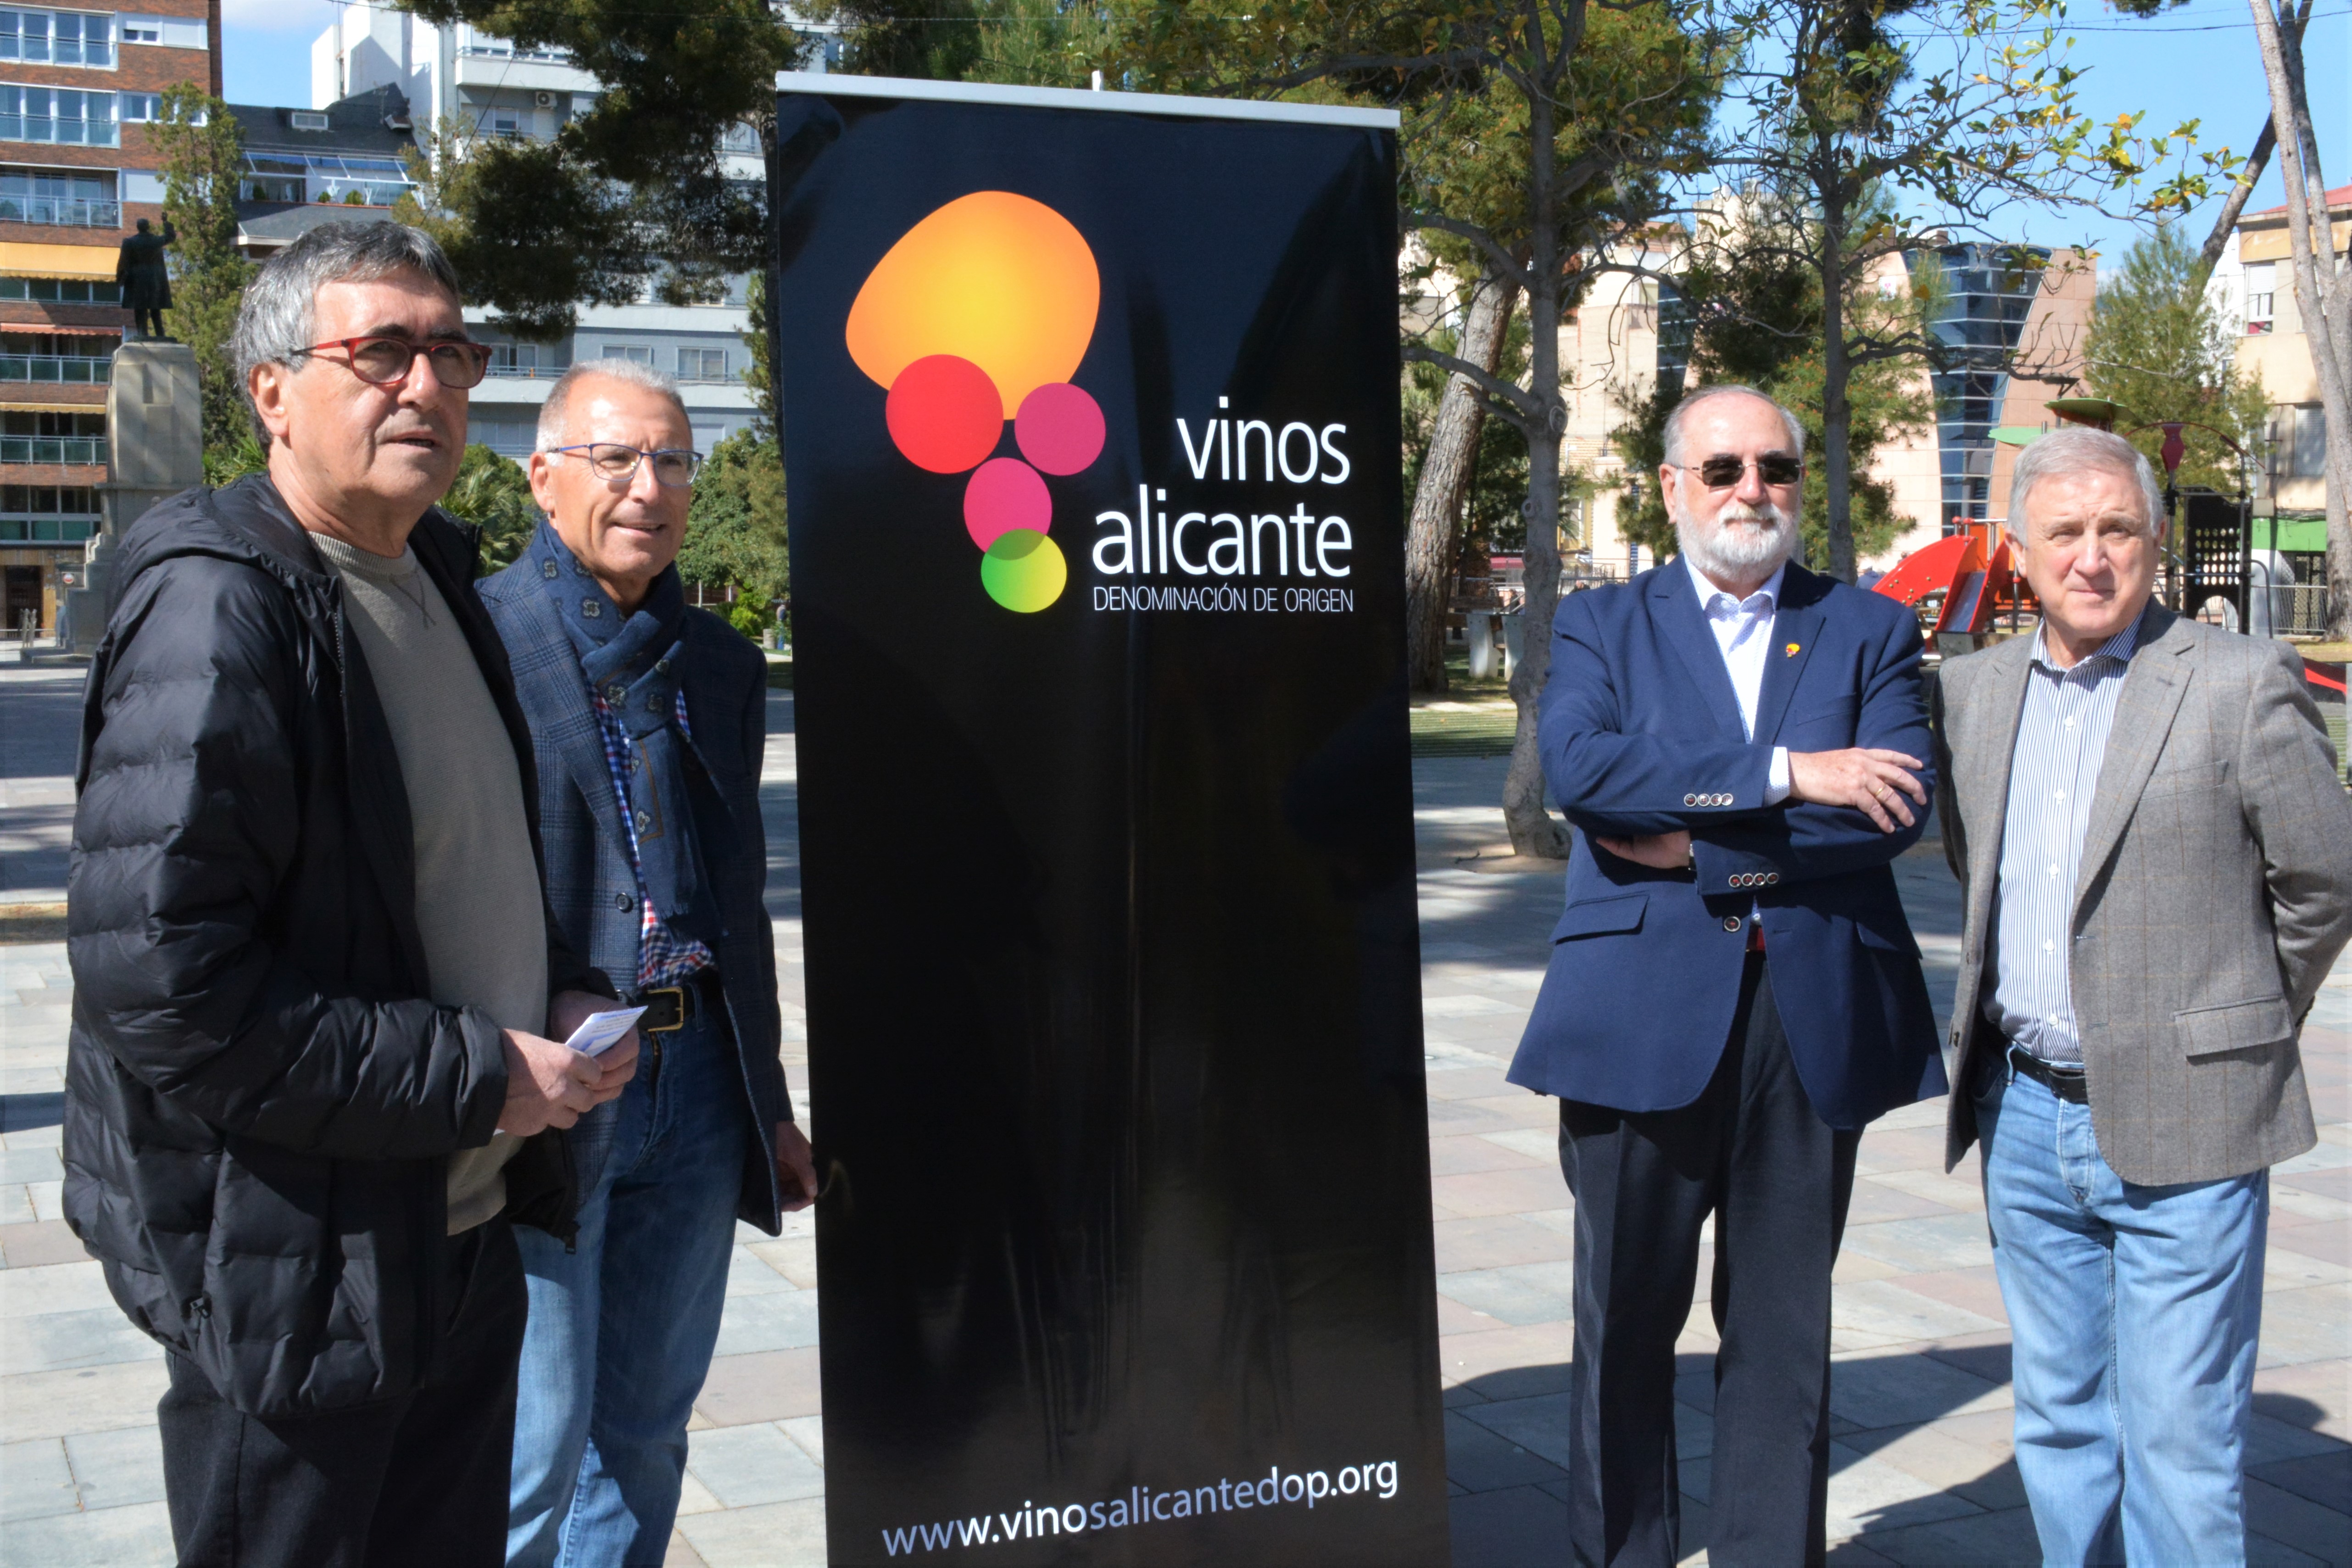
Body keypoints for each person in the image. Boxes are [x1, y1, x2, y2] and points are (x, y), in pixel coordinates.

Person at [62, 221, 637, 1568]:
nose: (427, 385)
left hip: (456, 1238)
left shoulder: (433, 572)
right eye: (381, 350)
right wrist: (472, 1070)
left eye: (451, 351)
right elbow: (167, 988)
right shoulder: (226, 603)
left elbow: (443, 866)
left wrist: (553, 982)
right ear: (271, 390)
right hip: (301, 1267)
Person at [1508, 384, 1945, 1565]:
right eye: (1722, 470)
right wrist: (1792, 774)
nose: (1751, 491)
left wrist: (1690, 838)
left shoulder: (1867, 628)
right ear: (1670, 488)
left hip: (1810, 1028)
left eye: (1775, 469)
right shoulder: (1604, 624)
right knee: (1624, 1329)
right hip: (1636, 1019)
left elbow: (1893, 810)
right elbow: (1589, 774)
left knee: (1784, 1338)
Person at [1933, 425, 2352, 1563]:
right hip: (2020, 1116)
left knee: (2181, 1438)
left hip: (2190, 1125)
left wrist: (2234, 1021)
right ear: (2018, 554)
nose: (2091, 556)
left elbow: (2323, 878)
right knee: (2060, 1423)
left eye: (2117, 528)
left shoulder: (2236, 681)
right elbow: (1977, 871)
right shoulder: (1970, 694)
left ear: (2156, 544)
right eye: (2063, 532)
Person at [480, 360, 817, 1567]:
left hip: (699, 1084)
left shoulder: (719, 667)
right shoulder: (481, 639)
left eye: (671, 460)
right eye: (614, 458)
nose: (647, 486)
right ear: (541, 476)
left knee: (647, 1429)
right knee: (531, 1447)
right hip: (551, 1090)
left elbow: (736, 900)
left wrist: (767, 1108)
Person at [116, 216, 174, 338]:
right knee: (155, 307)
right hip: (155, 278)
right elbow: (170, 237)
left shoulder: (130, 242)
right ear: (148, 227)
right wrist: (166, 223)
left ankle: (143, 334)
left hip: (137, 279)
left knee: (140, 309)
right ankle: (160, 334)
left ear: (138, 228)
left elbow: (123, 262)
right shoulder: (156, 241)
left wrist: (120, 278)